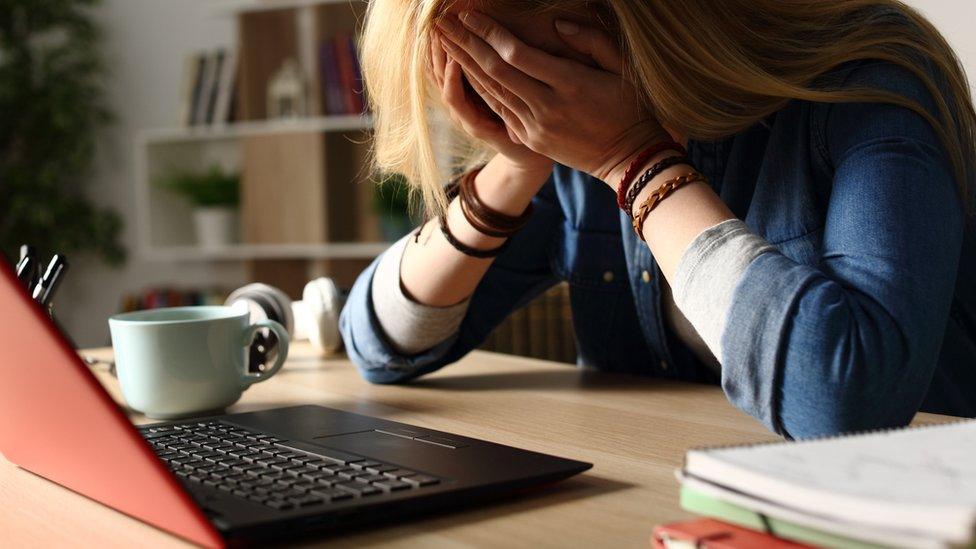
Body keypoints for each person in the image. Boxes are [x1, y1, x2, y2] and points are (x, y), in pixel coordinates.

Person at [339, 0, 976, 439]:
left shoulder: (870, 79)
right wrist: (514, 164)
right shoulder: (567, 148)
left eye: (515, 76)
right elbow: (380, 344)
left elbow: (847, 397)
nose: (511, 103)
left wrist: (633, 160)